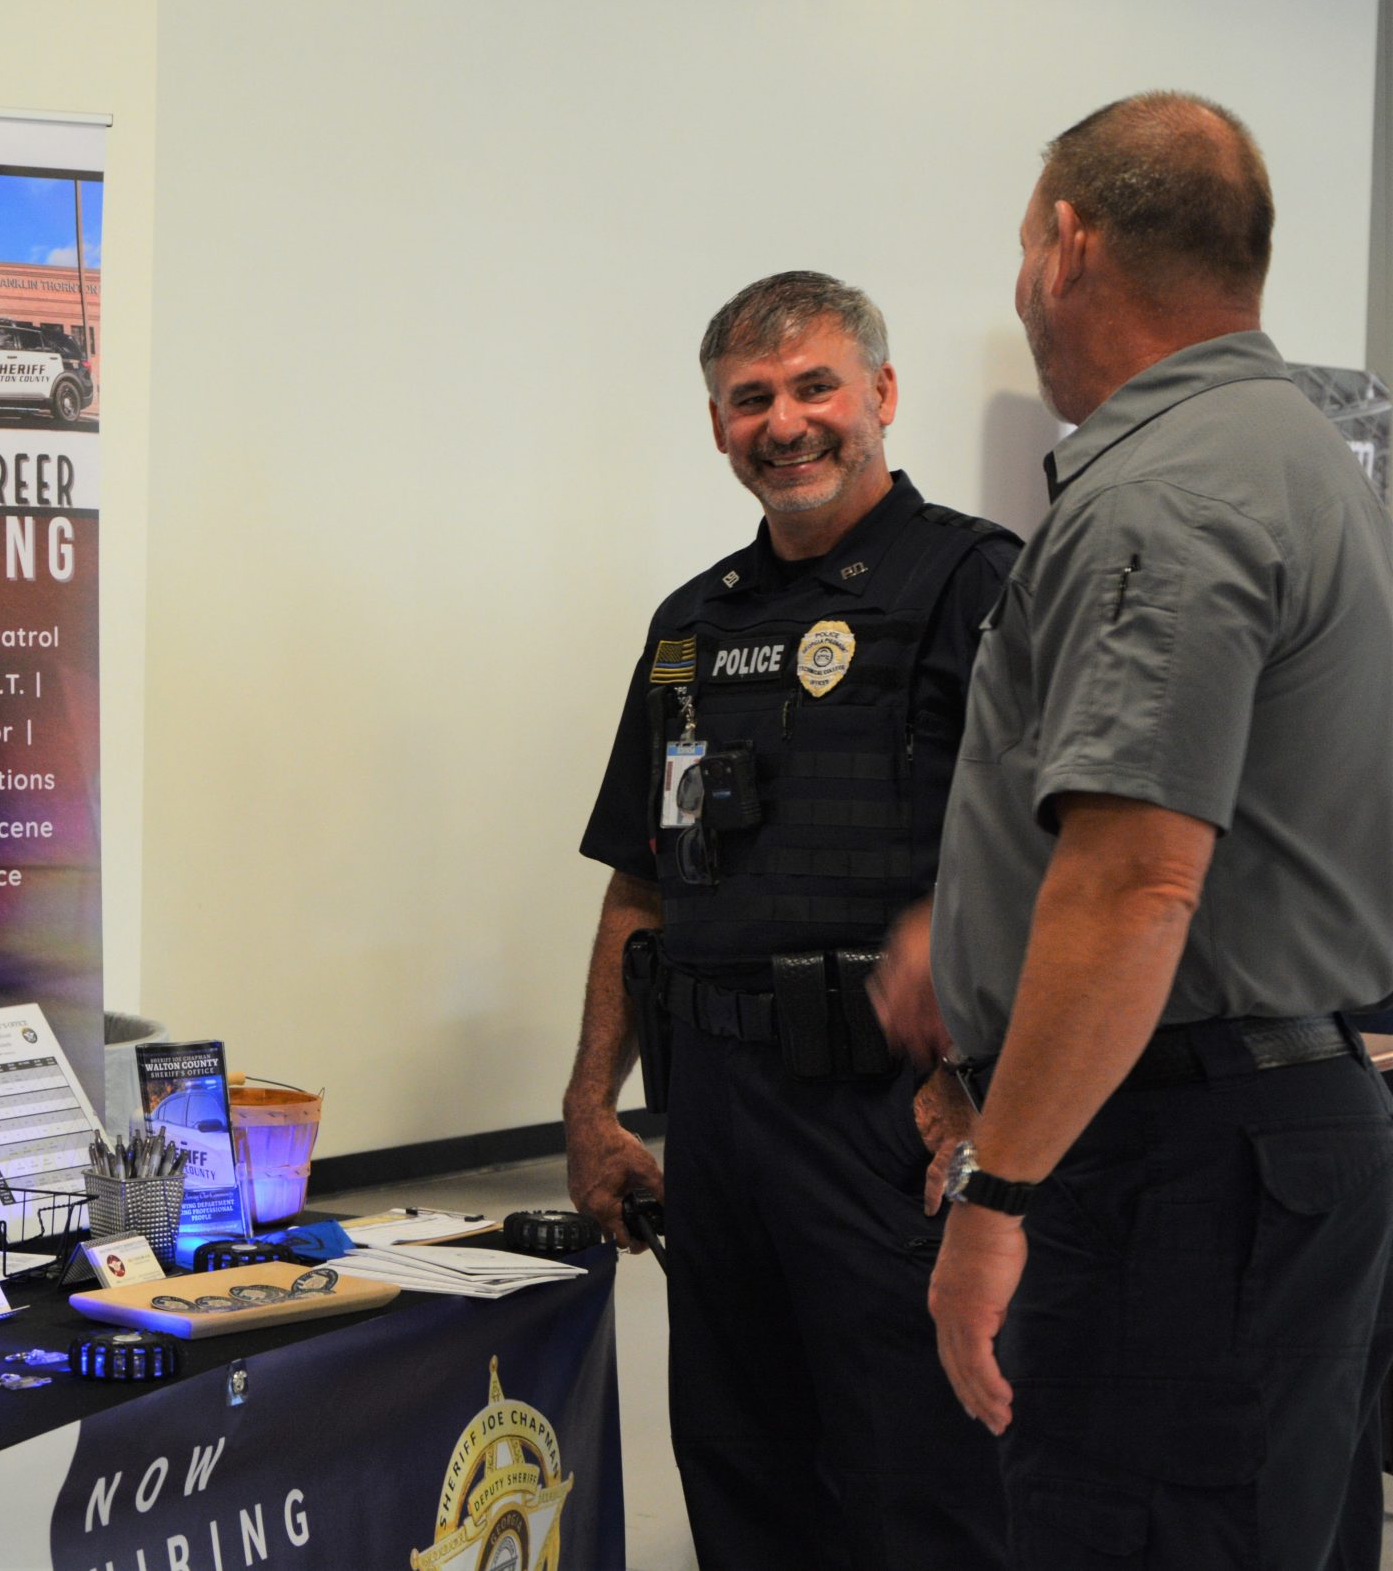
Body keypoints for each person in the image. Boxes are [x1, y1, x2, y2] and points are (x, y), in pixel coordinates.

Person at [873, 92, 1393, 1570]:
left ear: (1068, 244)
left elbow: (1140, 883)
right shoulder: (1292, 455)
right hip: (1268, 1133)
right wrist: (974, 930)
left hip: (1180, 1172)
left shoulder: (1163, 495)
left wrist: (996, 1199)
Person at [563, 272, 1020, 1567]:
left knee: (918, 1482)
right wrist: (594, 1105)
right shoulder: (690, 626)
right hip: (717, 1121)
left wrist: (989, 1100)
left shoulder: (974, 584)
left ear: (880, 395)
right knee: (741, 1469)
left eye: (816, 386)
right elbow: (640, 884)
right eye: (750, 399)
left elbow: (1059, 858)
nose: (787, 422)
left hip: (896, 1120)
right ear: (716, 425)